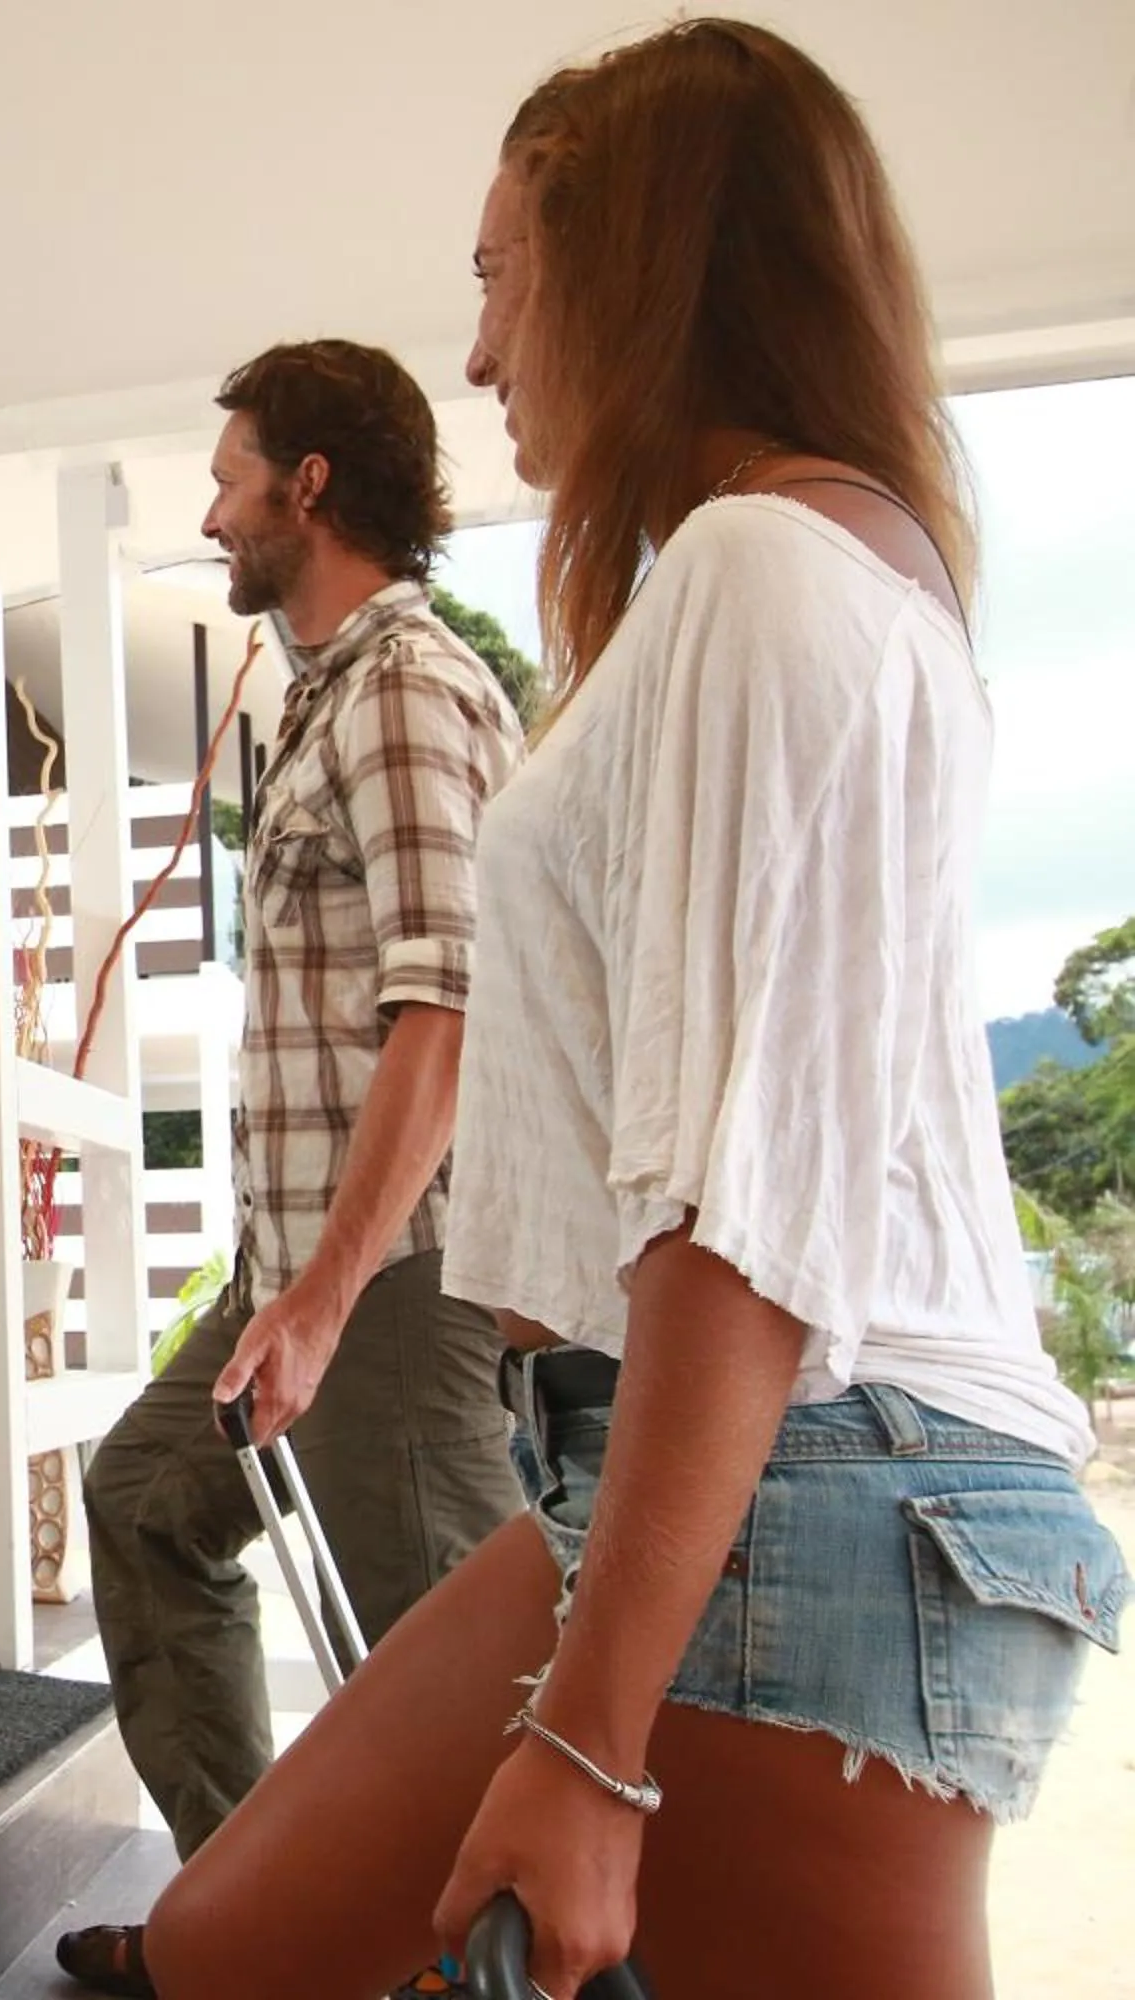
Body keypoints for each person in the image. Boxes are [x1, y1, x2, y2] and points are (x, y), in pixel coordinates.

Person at [119, 23, 1126, 2000]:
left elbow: (739, 1207)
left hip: (820, 1475)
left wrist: (585, 1736)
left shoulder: (760, 572)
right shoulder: (852, 570)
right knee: (226, 1943)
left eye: (500, 274)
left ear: (645, 255)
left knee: (236, 1955)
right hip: (797, 1469)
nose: (481, 353)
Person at [58, 339, 528, 1994]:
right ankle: (269, 1934)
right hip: (307, 1273)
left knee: (467, 1689)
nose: (211, 508)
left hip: (396, 1279)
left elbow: (448, 1008)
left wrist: (327, 1296)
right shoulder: (328, 691)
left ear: (309, 485)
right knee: (142, 1504)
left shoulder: (408, 692)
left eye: (231, 473)